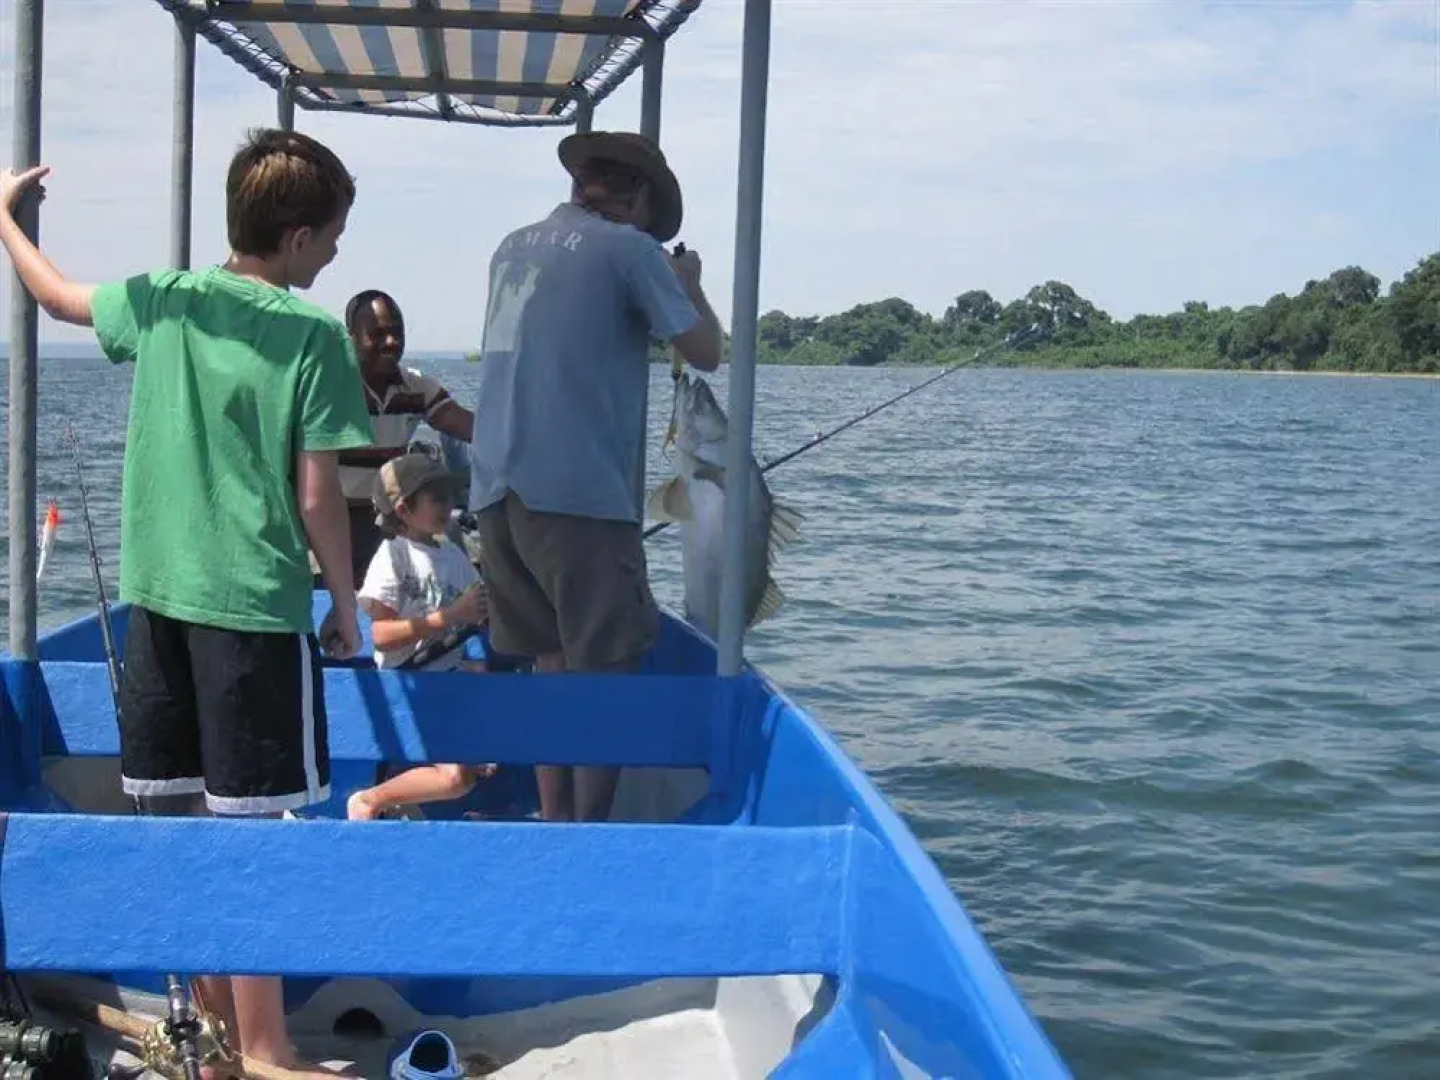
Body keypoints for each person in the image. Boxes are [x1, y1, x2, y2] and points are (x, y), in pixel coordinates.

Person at [0, 129, 372, 1080]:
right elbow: (319, 497)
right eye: (332, 237)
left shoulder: (163, 299)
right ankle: (268, 1052)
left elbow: (56, 297)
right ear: (295, 238)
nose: (334, 254)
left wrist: (3, 218)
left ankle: (215, 1038)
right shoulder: (313, 335)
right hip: (253, 614)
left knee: (180, 828)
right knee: (251, 835)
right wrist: (345, 603)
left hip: (155, 609)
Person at [467, 130, 724, 823]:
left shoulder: (511, 246)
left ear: (582, 183)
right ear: (636, 196)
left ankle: (555, 822)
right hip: (579, 499)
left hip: (495, 493)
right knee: (605, 673)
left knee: (549, 668)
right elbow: (706, 351)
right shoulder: (629, 250)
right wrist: (689, 283)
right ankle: (589, 833)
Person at [346, 453, 498, 821]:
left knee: (465, 776)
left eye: (450, 497)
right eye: (437, 498)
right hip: (408, 682)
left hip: (447, 683)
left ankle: (395, 800)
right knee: (455, 778)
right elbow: (382, 636)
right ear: (403, 509)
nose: (448, 505)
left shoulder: (453, 556)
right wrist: (451, 615)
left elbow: (477, 610)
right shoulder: (394, 556)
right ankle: (370, 800)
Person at [338, 289, 475, 583]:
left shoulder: (416, 388)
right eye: (377, 334)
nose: (391, 342)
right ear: (350, 337)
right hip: (335, 517)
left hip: (387, 516)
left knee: (449, 541)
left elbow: (467, 425)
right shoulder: (328, 388)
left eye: (397, 333)